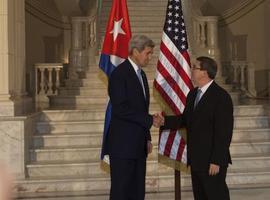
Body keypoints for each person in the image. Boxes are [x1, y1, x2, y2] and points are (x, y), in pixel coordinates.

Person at [158, 56, 234, 200]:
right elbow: (186, 120)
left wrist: (216, 160)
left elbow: (224, 133)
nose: (191, 70)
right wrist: (164, 121)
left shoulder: (221, 97)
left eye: (194, 67)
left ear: (204, 72)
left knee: (216, 195)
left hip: (212, 161)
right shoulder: (193, 94)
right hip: (197, 159)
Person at [107, 35, 161, 200]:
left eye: (151, 53)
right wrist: (150, 120)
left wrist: (147, 137)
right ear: (135, 51)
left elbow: (141, 109)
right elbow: (121, 109)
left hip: (138, 145)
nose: (150, 57)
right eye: (148, 53)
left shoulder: (142, 75)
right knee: (121, 192)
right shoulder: (119, 74)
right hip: (122, 146)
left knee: (137, 191)